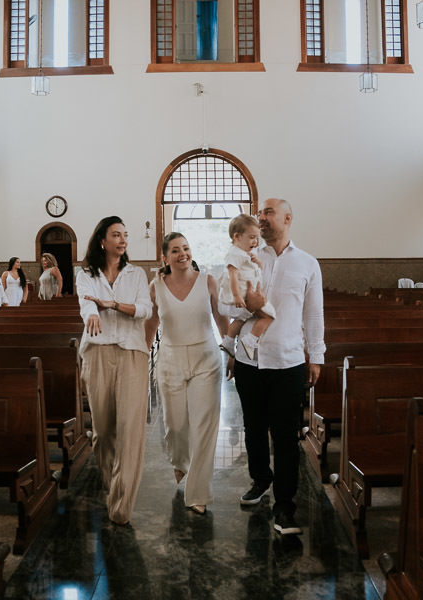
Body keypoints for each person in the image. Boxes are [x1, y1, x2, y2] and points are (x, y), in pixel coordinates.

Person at [230, 198, 324, 536]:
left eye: (268, 213)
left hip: (287, 360)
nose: (262, 219)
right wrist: (247, 312)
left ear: (288, 218)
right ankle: (260, 480)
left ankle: (285, 505)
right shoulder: (247, 258)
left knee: (285, 436)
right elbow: (235, 308)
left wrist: (317, 356)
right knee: (253, 427)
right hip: (249, 358)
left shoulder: (307, 263)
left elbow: (313, 314)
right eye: (259, 215)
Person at [144, 233, 230, 515]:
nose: (183, 254)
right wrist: (143, 356)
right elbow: (151, 323)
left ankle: (198, 494)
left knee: (205, 426)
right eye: (176, 250)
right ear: (165, 257)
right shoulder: (156, 285)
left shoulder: (207, 280)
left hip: (206, 358)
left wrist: (231, 350)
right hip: (170, 358)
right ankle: (180, 460)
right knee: (176, 425)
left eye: (186, 248)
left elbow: (220, 317)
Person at [76, 216, 152, 526]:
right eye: (116, 235)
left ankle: (122, 505)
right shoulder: (86, 274)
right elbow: (85, 303)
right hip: (98, 351)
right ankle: (112, 484)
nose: (122, 240)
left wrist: (114, 305)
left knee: (130, 430)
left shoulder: (136, 274)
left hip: (132, 352)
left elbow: (145, 310)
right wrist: (94, 312)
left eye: (125, 235)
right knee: (104, 431)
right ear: (102, 241)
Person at [218, 214, 276, 359]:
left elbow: (258, 270)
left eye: (257, 238)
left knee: (240, 319)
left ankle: (229, 342)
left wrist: (257, 262)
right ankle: (250, 340)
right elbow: (232, 275)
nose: (256, 242)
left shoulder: (244, 254)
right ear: (237, 236)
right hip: (243, 296)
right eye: (252, 237)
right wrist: (237, 296)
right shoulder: (235, 254)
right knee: (269, 316)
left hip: (247, 295)